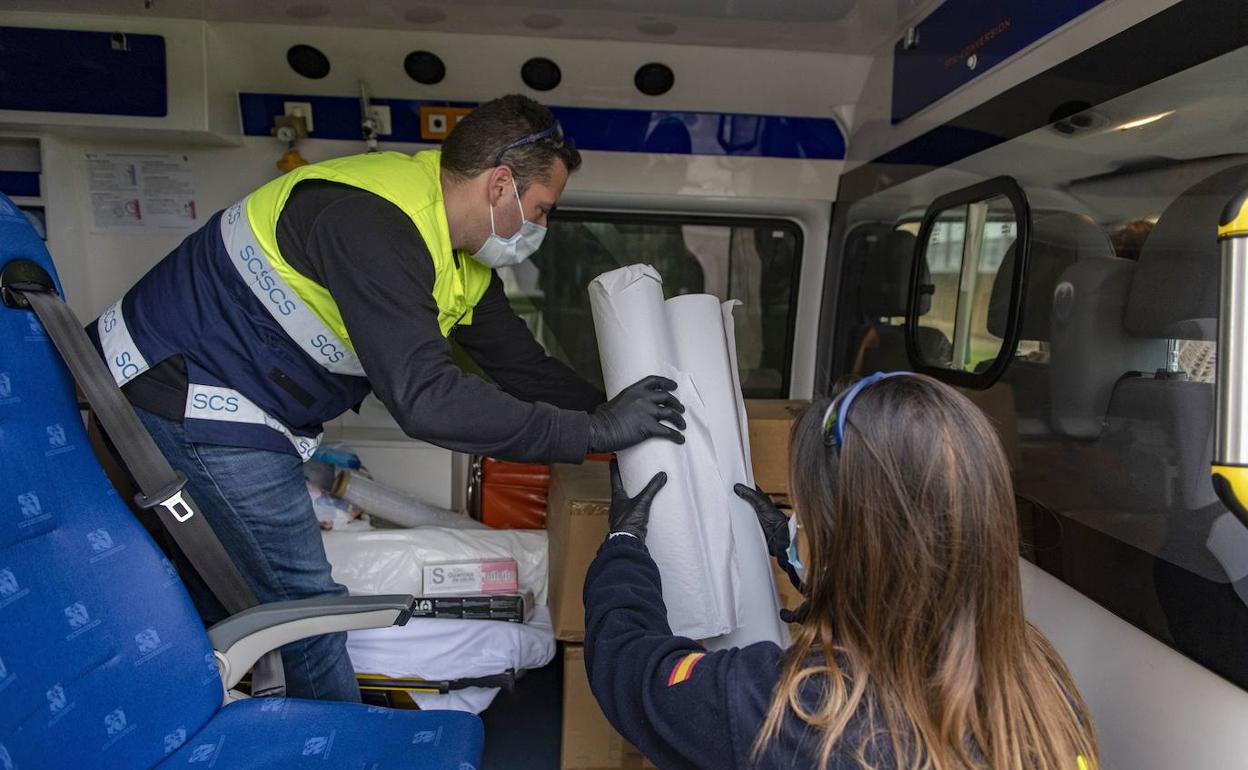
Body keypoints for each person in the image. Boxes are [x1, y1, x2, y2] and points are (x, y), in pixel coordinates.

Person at [87, 94, 686, 702]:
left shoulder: (459, 259)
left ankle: (209, 715)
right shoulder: (374, 221)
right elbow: (426, 400)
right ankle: (341, 749)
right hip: (183, 390)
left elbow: (523, 368)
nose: (542, 227)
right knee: (306, 609)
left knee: (223, 592)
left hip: (236, 401)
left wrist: (620, 414)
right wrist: (591, 434)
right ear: (501, 185)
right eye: (541, 209)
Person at [584, 372, 1098, 769]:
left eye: (802, 514)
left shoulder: (796, 710)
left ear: (843, 539)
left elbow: (633, 673)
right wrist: (794, 554)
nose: (795, 521)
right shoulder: (1038, 679)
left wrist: (624, 546)